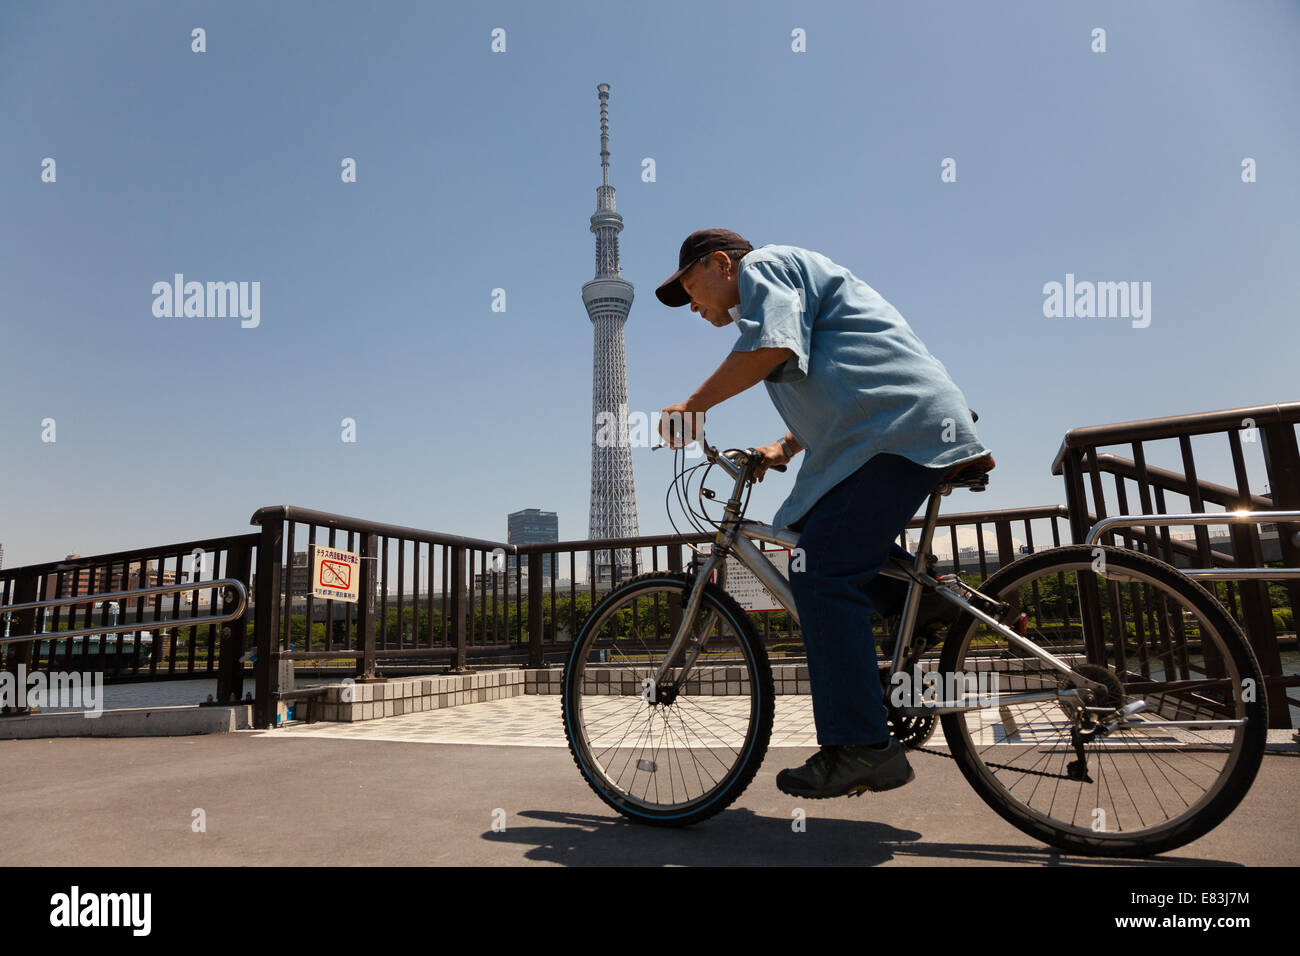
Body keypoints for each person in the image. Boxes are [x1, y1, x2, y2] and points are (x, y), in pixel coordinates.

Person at [655, 228, 993, 799]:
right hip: (887, 429)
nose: (693, 305)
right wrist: (783, 449)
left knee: (819, 572)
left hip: (895, 432)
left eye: (691, 287)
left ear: (721, 264)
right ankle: (929, 599)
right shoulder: (786, 282)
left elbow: (774, 347)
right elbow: (841, 380)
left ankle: (860, 745)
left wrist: (693, 405)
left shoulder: (763, 267)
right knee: (808, 530)